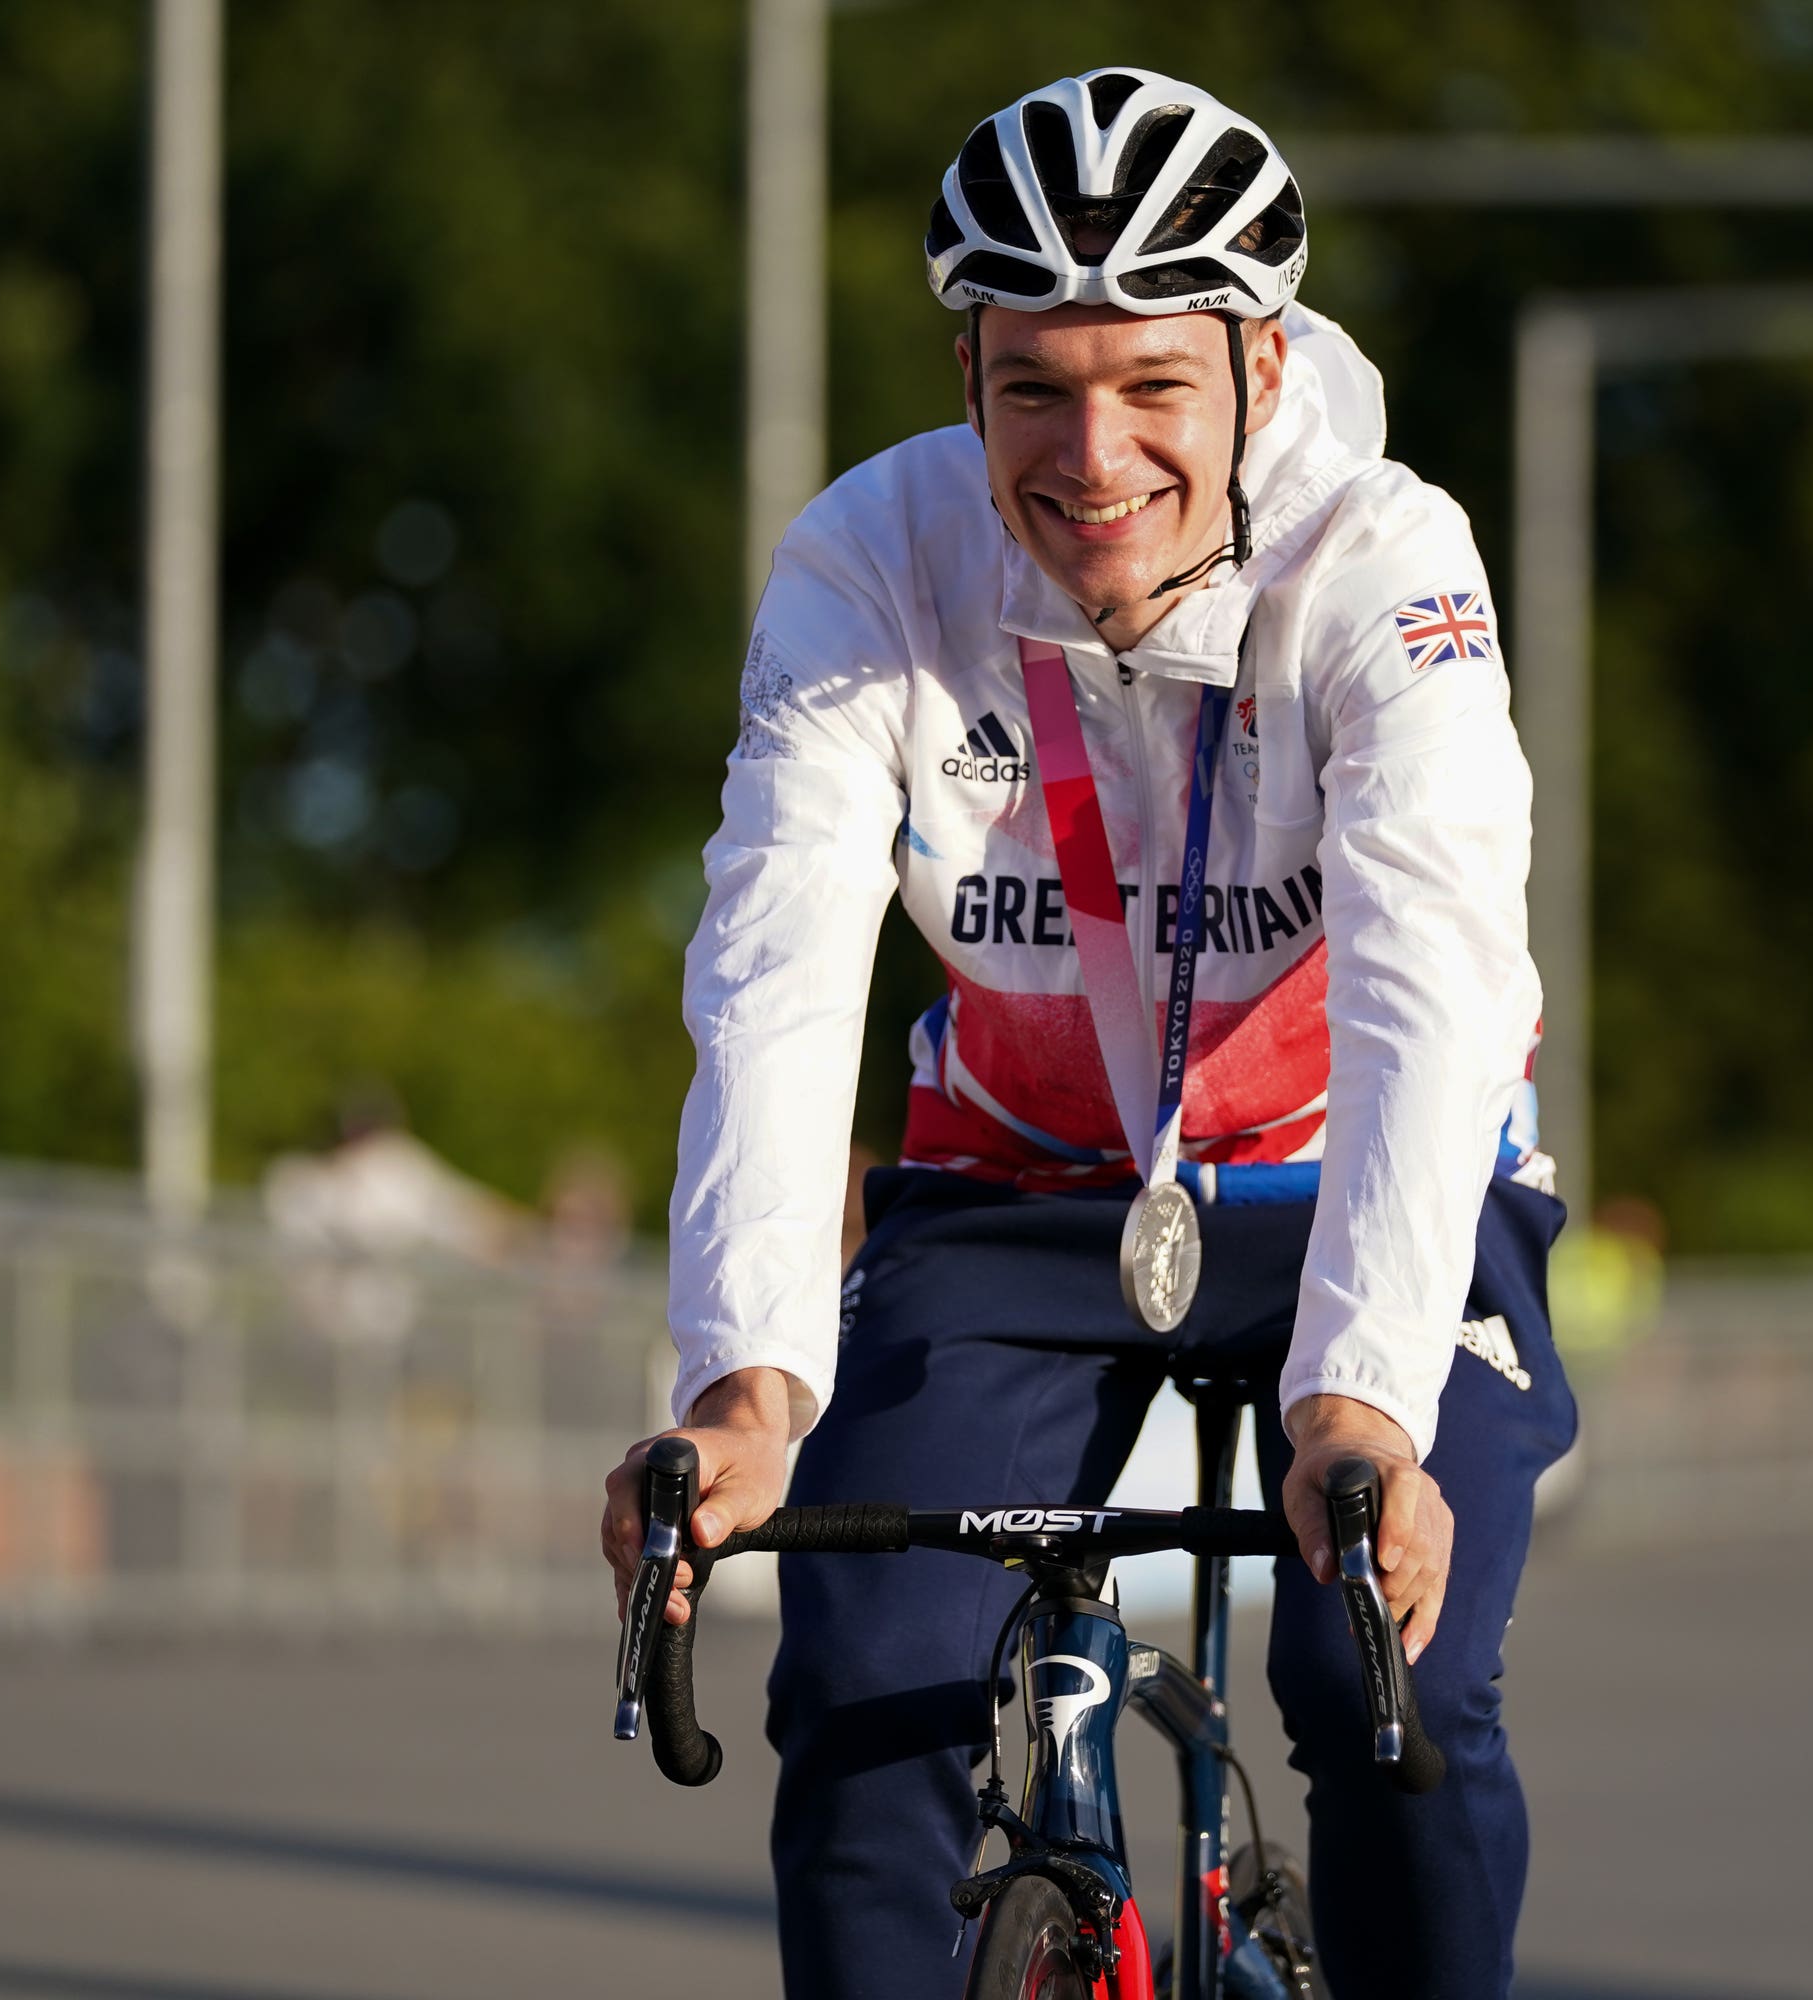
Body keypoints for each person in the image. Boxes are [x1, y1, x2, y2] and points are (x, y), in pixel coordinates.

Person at [603, 68, 1574, 1998]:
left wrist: (1363, 1388)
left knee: (1384, 1682)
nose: (1093, 453)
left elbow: (1430, 978)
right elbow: (778, 971)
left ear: (1264, 369)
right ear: (965, 371)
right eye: (1034, 384)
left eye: (1153, 384)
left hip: (1349, 1179)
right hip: (1020, 1187)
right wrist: (744, 1387)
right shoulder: (866, 561)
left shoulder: (1390, 561)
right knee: (868, 1685)